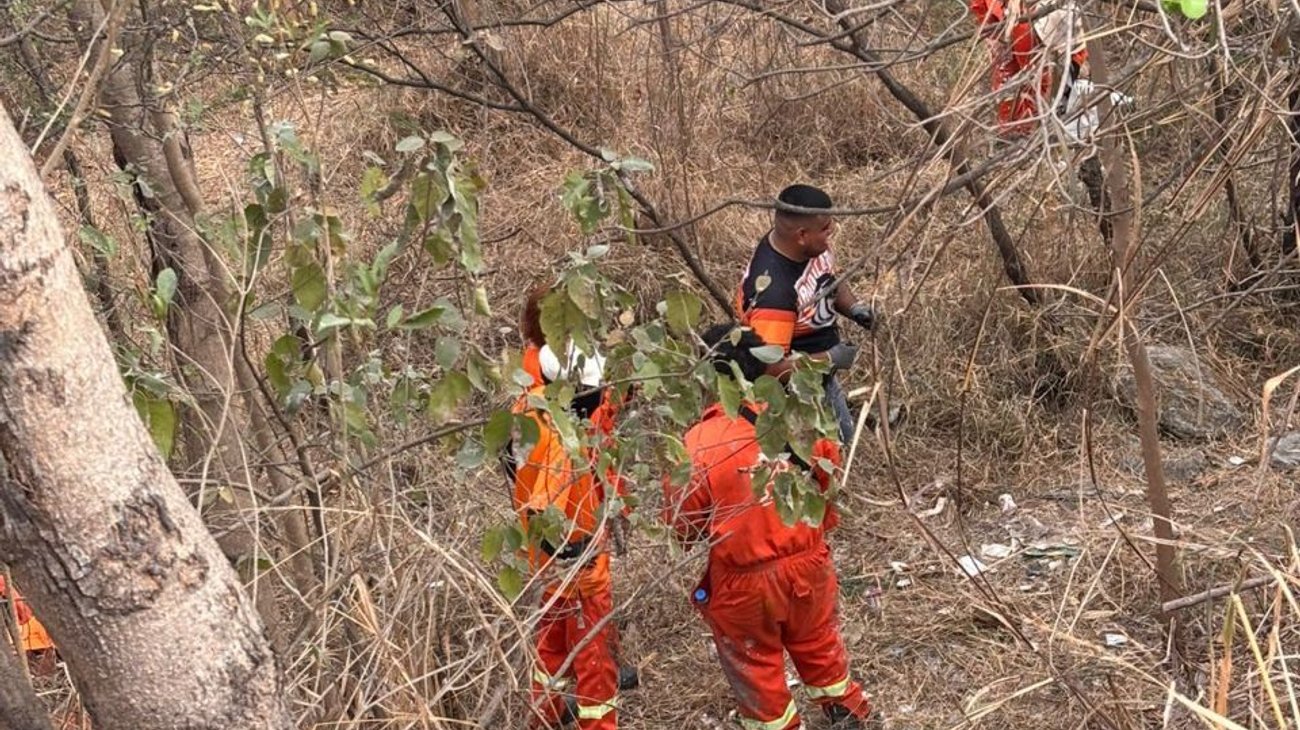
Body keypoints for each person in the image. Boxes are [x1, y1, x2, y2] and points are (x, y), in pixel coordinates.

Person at [663, 324, 879, 730]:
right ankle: (848, 711)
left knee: (755, 667)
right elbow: (827, 486)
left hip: (743, 582)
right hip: (810, 565)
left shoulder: (696, 444)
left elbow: (683, 526)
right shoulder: (799, 420)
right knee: (819, 642)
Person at [505, 287, 632, 729]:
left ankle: (548, 710)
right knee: (592, 655)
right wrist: (578, 554)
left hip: (550, 552)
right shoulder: (554, 419)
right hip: (574, 553)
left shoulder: (529, 397)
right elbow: (552, 491)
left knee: (553, 639)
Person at [735, 184, 876, 443]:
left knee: (841, 435)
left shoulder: (808, 247)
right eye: (824, 229)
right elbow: (770, 370)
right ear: (801, 235)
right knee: (836, 446)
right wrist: (829, 359)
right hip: (796, 389)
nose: (830, 233)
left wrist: (854, 308)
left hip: (817, 371)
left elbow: (828, 279)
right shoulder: (774, 296)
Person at [969, 0, 1088, 136]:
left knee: (1019, 80)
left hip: (1025, 20)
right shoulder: (1026, 28)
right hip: (1020, 21)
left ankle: (1018, 130)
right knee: (1023, 81)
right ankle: (1020, 132)